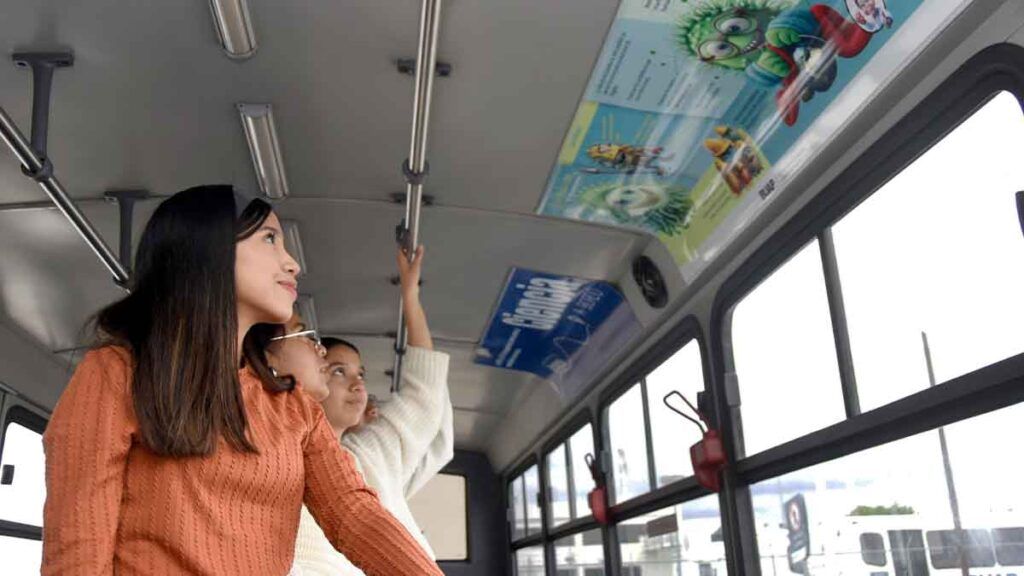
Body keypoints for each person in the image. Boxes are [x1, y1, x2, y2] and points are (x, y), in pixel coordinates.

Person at [41, 185, 442, 576]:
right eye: (270, 239)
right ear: (208, 251)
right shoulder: (117, 374)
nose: (293, 264)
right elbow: (79, 547)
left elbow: (354, 514)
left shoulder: (293, 406)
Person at [287, 246, 453, 575]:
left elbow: (425, 394)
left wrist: (410, 297)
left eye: (361, 375)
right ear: (311, 376)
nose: (357, 385)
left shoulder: (370, 453)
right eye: (338, 371)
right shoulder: (281, 465)